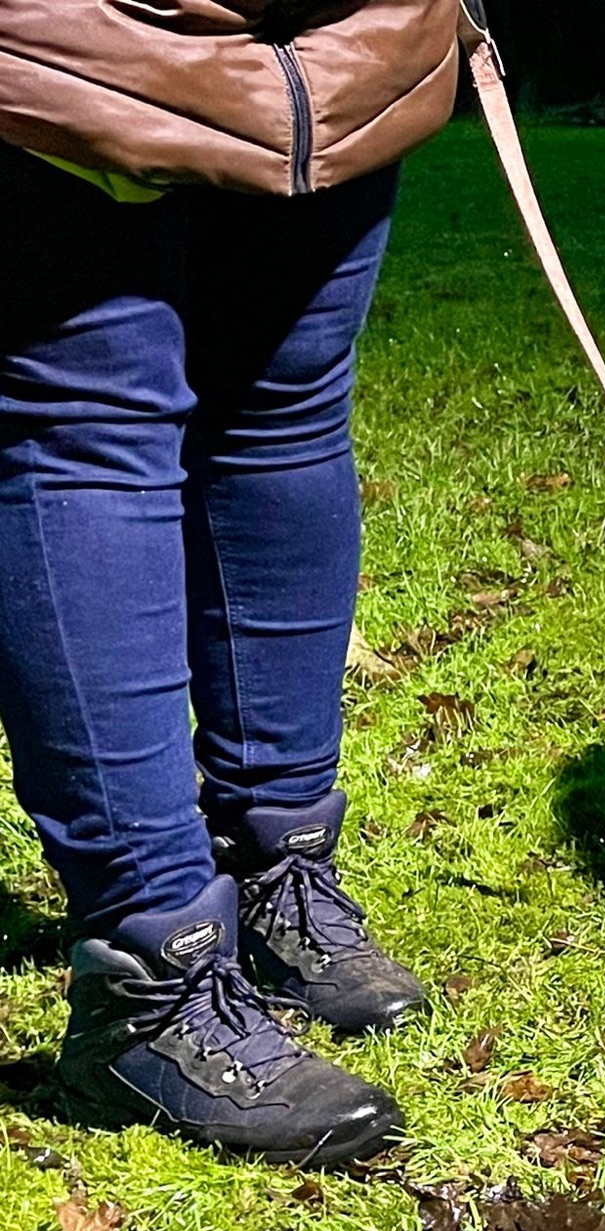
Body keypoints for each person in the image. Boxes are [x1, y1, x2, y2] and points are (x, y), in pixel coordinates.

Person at [0, 0, 472, 1164]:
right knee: (87, 430)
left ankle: (280, 865)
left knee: (284, 411)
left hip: (339, 47)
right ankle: (149, 977)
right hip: (75, 43)